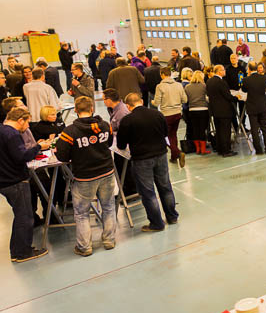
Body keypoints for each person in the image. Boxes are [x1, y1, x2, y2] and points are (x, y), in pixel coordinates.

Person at [0, 107, 50, 263]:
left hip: (1, 180)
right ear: (20, 120)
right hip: (14, 181)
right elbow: (22, 156)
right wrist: (39, 147)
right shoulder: (13, 135)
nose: (27, 127)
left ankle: (17, 250)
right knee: (25, 217)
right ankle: (22, 252)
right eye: (27, 123)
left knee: (21, 215)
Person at [55, 96, 117, 256]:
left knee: (82, 213)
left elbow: (61, 156)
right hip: (107, 172)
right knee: (108, 207)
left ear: (76, 110)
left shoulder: (70, 131)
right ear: (92, 109)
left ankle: (85, 247)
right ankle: (109, 240)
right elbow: (110, 143)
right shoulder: (105, 125)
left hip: (85, 177)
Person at [117, 93, 180, 232]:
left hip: (141, 159)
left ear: (128, 106)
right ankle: (172, 216)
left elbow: (121, 144)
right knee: (165, 187)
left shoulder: (127, 120)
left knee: (148, 192)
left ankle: (157, 223)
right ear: (141, 101)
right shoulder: (157, 114)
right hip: (161, 155)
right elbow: (165, 133)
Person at [153, 67, 188, 167]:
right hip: (177, 113)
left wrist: (152, 102)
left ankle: (178, 152)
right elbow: (185, 100)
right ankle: (173, 157)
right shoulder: (179, 85)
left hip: (166, 114)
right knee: (173, 134)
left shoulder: (160, 86)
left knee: (164, 136)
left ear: (162, 74)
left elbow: (156, 103)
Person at [206, 65, 238, 157]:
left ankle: (220, 149)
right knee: (225, 131)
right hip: (224, 110)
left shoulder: (209, 81)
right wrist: (236, 98)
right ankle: (226, 150)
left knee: (219, 130)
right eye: (223, 70)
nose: (225, 71)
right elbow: (227, 96)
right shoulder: (221, 82)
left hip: (215, 110)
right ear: (219, 71)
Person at [242, 62, 266, 155]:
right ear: (257, 68)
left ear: (249, 69)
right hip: (263, 105)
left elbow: (244, 90)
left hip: (252, 106)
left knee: (254, 129)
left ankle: (258, 150)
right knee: (264, 127)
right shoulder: (264, 78)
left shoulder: (246, 79)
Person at [185, 70, 210, 155]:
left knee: (195, 130)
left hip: (192, 110)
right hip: (203, 109)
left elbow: (186, 99)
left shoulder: (187, 87)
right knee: (202, 130)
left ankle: (197, 149)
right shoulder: (204, 86)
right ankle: (203, 149)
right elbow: (207, 97)